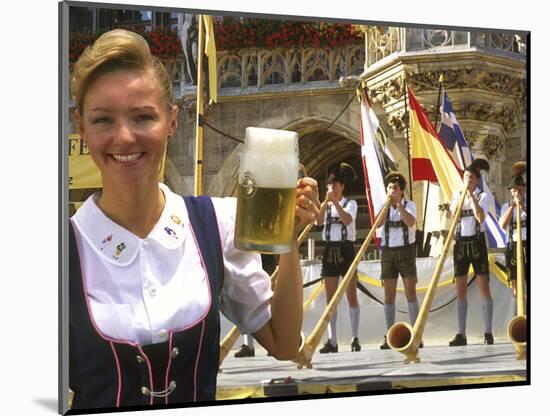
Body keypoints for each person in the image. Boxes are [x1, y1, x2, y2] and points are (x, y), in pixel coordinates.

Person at [68, 29, 320, 410]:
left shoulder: (213, 225)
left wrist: (288, 238)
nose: (124, 137)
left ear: (172, 121)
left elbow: (284, 343)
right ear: (81, 127)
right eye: (103, 120)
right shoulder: (59, 252)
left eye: (143, 117)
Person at [315, 163, 361, 353]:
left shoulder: (351, 203)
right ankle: (332, 340)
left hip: (346, 249)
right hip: (329, 249)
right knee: (330, 299)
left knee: (351, 295)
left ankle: (354, 337)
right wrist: (325, 203)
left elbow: (347, 219)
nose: (332, 188)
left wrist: (334, 202)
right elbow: (317, 222)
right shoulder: (325, 205)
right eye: (330, 186)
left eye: (335, 185)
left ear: (342, 187)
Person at [448, 159, 494, 346]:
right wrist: (463, 196)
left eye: (470, 177)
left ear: (476, 180)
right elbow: (454, 214)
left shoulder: (483, 196)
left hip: (477, 241)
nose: (466, 179)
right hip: (460, 242)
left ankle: (488, 332)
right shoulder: (456, 195)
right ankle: (461, 333)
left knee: (483, 286)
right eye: (464, 176)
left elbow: (480, 216)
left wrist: (472, 196)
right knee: (460, 289)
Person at [376, 172, 421, 350]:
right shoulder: (383, 206)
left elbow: (410, 222)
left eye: (395, 188)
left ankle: (416, 333)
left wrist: (399, 205)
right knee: (389, 295)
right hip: (388, 253)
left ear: (401, 191)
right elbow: (378, 224)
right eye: (389, 188)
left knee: (410, 292)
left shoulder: (410, 205)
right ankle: (390, 334)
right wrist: (388, 206)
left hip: (406, 251)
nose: (391, 190)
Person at [234, 254, 278, 358]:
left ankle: (273, 343)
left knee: (269, 300)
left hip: (266, 254)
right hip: (249, 257)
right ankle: (248, 346)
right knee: (246, 300)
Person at [499, 162, 527, 315]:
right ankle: (519, 318)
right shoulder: (505, 207)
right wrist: (512, 207)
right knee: (516, 286)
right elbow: (503, 224)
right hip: (513, 246)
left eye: (520, 189)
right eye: (514, 190)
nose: (517, 193)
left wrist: (522, 206)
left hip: (527, 245)